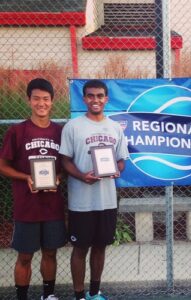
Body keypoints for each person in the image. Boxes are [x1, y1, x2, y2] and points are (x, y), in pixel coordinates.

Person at [59, 79, 129, 300]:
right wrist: (81, 176)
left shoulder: (115, 127)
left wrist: (116, 171)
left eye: (100, 96)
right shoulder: (73, 126)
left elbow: (121, 161)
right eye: (91, 95)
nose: (95, 100)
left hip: (106, 201)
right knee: (80, 249)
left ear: (106, 99)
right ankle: (79, 295)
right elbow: (65, 160)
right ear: (84, 98)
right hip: (81, 201)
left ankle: (94, 292)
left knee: (100, 247)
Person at [0, 78, 66, 300]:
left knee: (50, 253)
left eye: (45, 99)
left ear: (52, 102)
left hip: (52, 206)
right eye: (36, 98)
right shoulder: (17, 132)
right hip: (27, 206)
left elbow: (65, 166)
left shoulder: (59, 132)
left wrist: (57, 176)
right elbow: (3, 166)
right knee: (25, 256)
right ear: (29, 100)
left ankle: (48, 295)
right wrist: (26, 177)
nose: (41, 103)